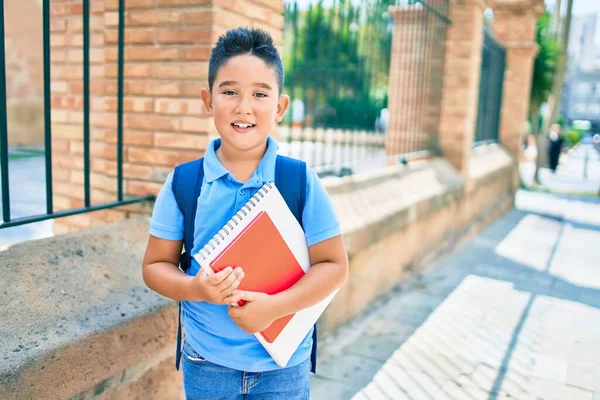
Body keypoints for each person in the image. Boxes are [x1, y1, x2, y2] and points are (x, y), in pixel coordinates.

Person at [141, 28, 349, 400]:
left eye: (259, 94)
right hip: (207, 362)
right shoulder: (184, 184)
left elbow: (334, 266)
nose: (243, 107)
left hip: (284, 367)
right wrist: (195, 289)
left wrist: (274, 309)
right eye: (230, 91)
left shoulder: (299, 181)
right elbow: (155, 266)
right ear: (208, 100)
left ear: (280, 107)